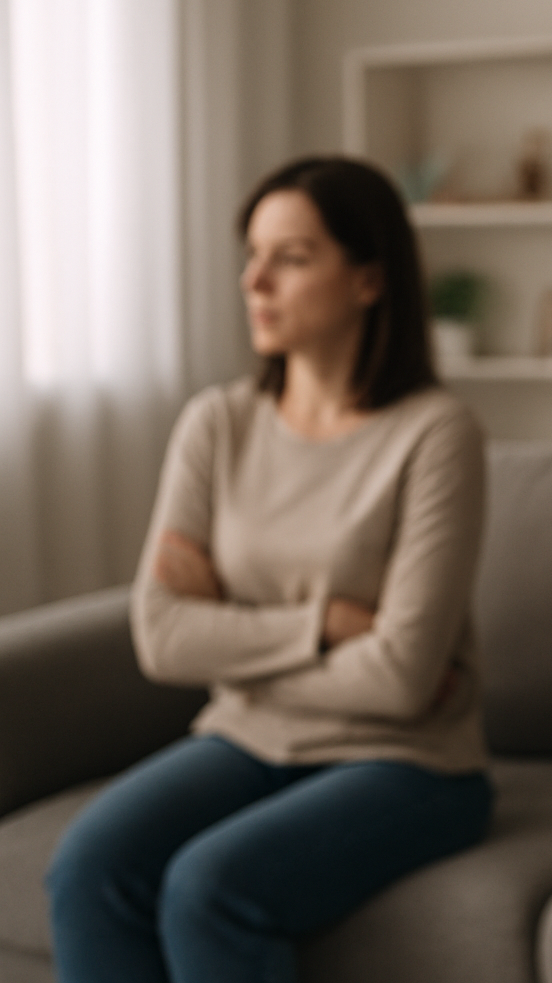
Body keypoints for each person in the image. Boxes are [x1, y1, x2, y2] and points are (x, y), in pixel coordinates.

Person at [45, 156, 494, 983]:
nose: (255, 280)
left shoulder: (436, 434)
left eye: (290, 256)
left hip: (409, 761)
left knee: (206, 887)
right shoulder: (216, 425)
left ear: (367, 279)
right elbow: (162, 637)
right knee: (86, 868)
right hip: (244, 737)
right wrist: (319, 627)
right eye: (251, 255)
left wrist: (239, 651)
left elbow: (400, 684)